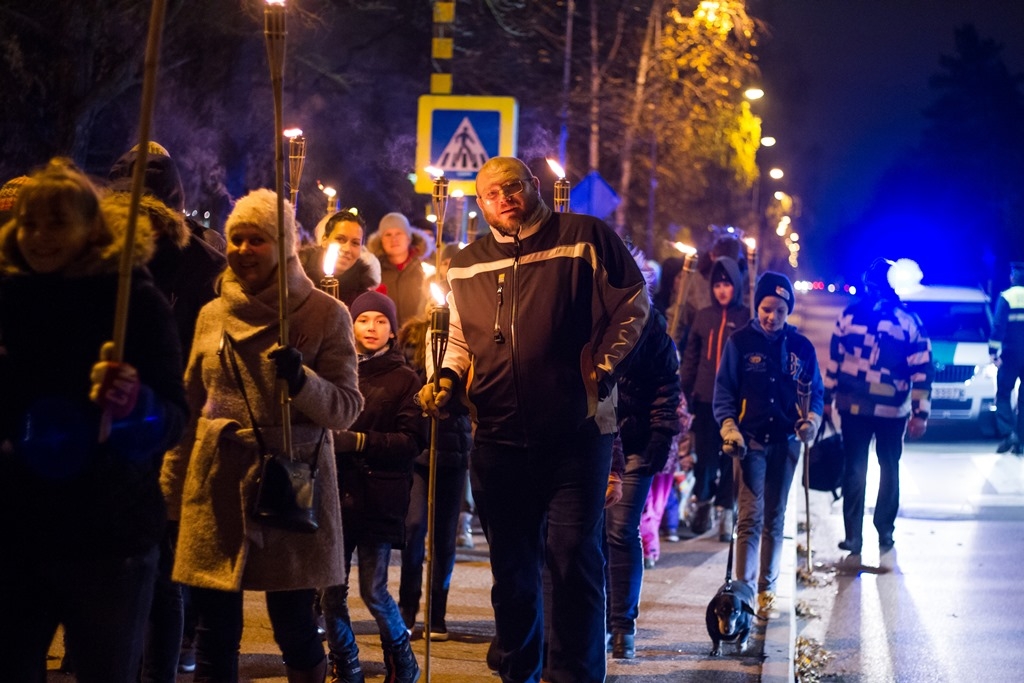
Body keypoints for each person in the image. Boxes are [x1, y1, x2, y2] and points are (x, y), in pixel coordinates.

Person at [417, 156, 649, 683]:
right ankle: (519, 671)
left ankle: (574, 676)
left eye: (513, 187)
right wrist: (446, 380)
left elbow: (634, 303)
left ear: (533, 187)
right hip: (498, 437)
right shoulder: (465, 263)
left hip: (577, 431)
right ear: (480, 204)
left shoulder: (584, 237)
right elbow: (457, 338)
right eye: (492, 194)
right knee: (513, 572)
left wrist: (602, 370)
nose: (505, 199)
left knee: (572, 560)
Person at [161, 188, 364, 683]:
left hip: (288, 485)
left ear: (284, 248)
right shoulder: (212, 314)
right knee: (213, 630)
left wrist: (302, 382)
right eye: (237, 239)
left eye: (258, 240)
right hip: (217, 484)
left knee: (295, 626)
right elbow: (190, 407)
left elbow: (346, 409)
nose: (244, 250)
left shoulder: (323, 314)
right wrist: (170, 492)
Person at [0, 158, 188, 682]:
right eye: (30, 223)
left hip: (107, 534)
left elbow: (172, 421)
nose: (39, 237)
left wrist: (132, 405)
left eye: (57, 223)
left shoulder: (133, 301)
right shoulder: (9, 296)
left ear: (90, 227)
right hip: (18, 526)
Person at [108, 143, 228, 682]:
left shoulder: (201, 264)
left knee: (159, 573)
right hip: (109, 425)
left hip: (168, 429)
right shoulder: (100, 255)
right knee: (122, 569)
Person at [321, 291, 427, 683]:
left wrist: (361, 441)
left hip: (378, 495)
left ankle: (403, 660)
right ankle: (345, 662)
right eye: (364, 319)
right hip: (335, 494)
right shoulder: (337, 370)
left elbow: (413, 441)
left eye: (381, 321)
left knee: (374, 590)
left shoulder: (404, 379)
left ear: (392, 331)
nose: (372, 327)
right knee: (329, 590)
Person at [713, 271, 822, 616]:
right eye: (765, 309)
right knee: (749, 516)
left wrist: (812, 422)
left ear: (788, 310)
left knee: (775, 516)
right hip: (750, 443)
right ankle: (743, 592)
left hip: (787, 442)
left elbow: (815, 393)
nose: (772, 317)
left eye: (779, 310)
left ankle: (767, 590)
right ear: (757, 306)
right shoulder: (740, 342)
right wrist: (729, 426)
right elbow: (724, 391)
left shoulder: (802, 347)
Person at [823, 258, 933, 555]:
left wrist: (826, 398)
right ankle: (885, 530)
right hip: (892, 410)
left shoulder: (850, 315)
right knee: (889, 467)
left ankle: (853, 536)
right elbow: (922, 370)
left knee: (855, 468)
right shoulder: (909, 321)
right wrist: (920, 413)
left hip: (853, 406)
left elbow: (835, 359)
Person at [604, 290, 682, 659]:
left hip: (635, 442)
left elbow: (667, 388)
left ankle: (622, 626)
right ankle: (600, 620)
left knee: (621, 529)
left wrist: (661, 435)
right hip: (596, 440)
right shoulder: (589, 315)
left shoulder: (651, 327)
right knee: (593, 532)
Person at [396, 310, 473, 642]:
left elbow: (472, 392)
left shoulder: (466, 338)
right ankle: (406, 610)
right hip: (419, 453)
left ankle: (436, 614)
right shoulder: (411, 340)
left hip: (453, 450)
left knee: (444, 537)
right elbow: (406, 385)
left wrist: (451, 396)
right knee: (413, 528)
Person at [680, 256, 750, 540]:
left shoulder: (746, 318)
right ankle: (704, 503)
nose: (722, 290)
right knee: (706, 457)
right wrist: (684, 392)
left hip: (734, 402)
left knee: (729, 458)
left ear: (737, 287)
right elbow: (691, 358)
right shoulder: (703, 316)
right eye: (718, 284)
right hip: (706, 398)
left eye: (728, 284)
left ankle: (725, 510)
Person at [298, 209, 381, 307]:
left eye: (355, 243)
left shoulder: (363, 298)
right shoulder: (297, 279)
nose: (347, 249)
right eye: (340, 239)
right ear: (324, 240)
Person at [366, 212, 431, 327]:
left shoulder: (425, 271)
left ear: (409, 238)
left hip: (418, 339)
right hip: (384, 339)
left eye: (399, 233)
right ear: (381, 241)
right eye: (388, 235)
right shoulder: (373, 273)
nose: (394, 239)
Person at [989, 261, 1024, 455]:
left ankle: (1009, 433)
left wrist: (993, 352)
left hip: (1010, 354)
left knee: (1003, 394)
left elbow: (998, 327)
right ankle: (1021, 442)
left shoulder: (1007, 297)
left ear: (1012, 277)